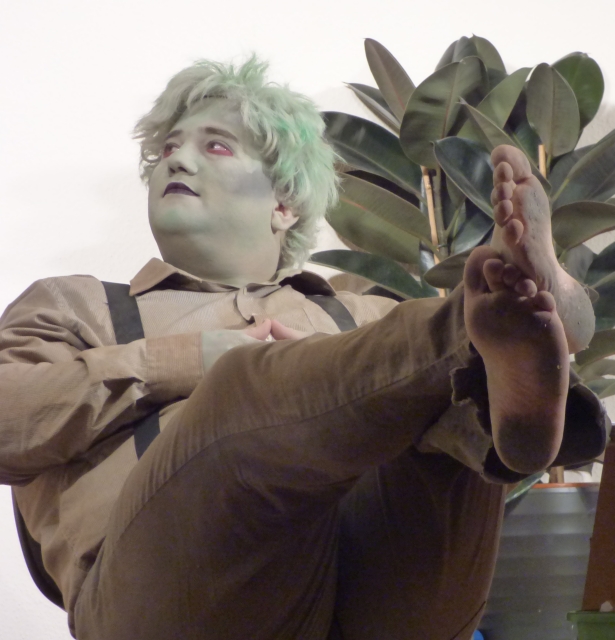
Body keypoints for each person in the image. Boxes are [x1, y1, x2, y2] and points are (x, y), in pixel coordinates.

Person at [0, 56, 607, 640]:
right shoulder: (76, 305)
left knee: (443, 400)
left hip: (385, 603)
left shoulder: (362, 313)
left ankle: (502, 343)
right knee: (247, 384)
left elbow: (551, 336)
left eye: (216, 146)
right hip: (177, 604)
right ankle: (478, 330)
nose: (176, 158)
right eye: (166, 150)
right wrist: (193, 361)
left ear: (284, 205)